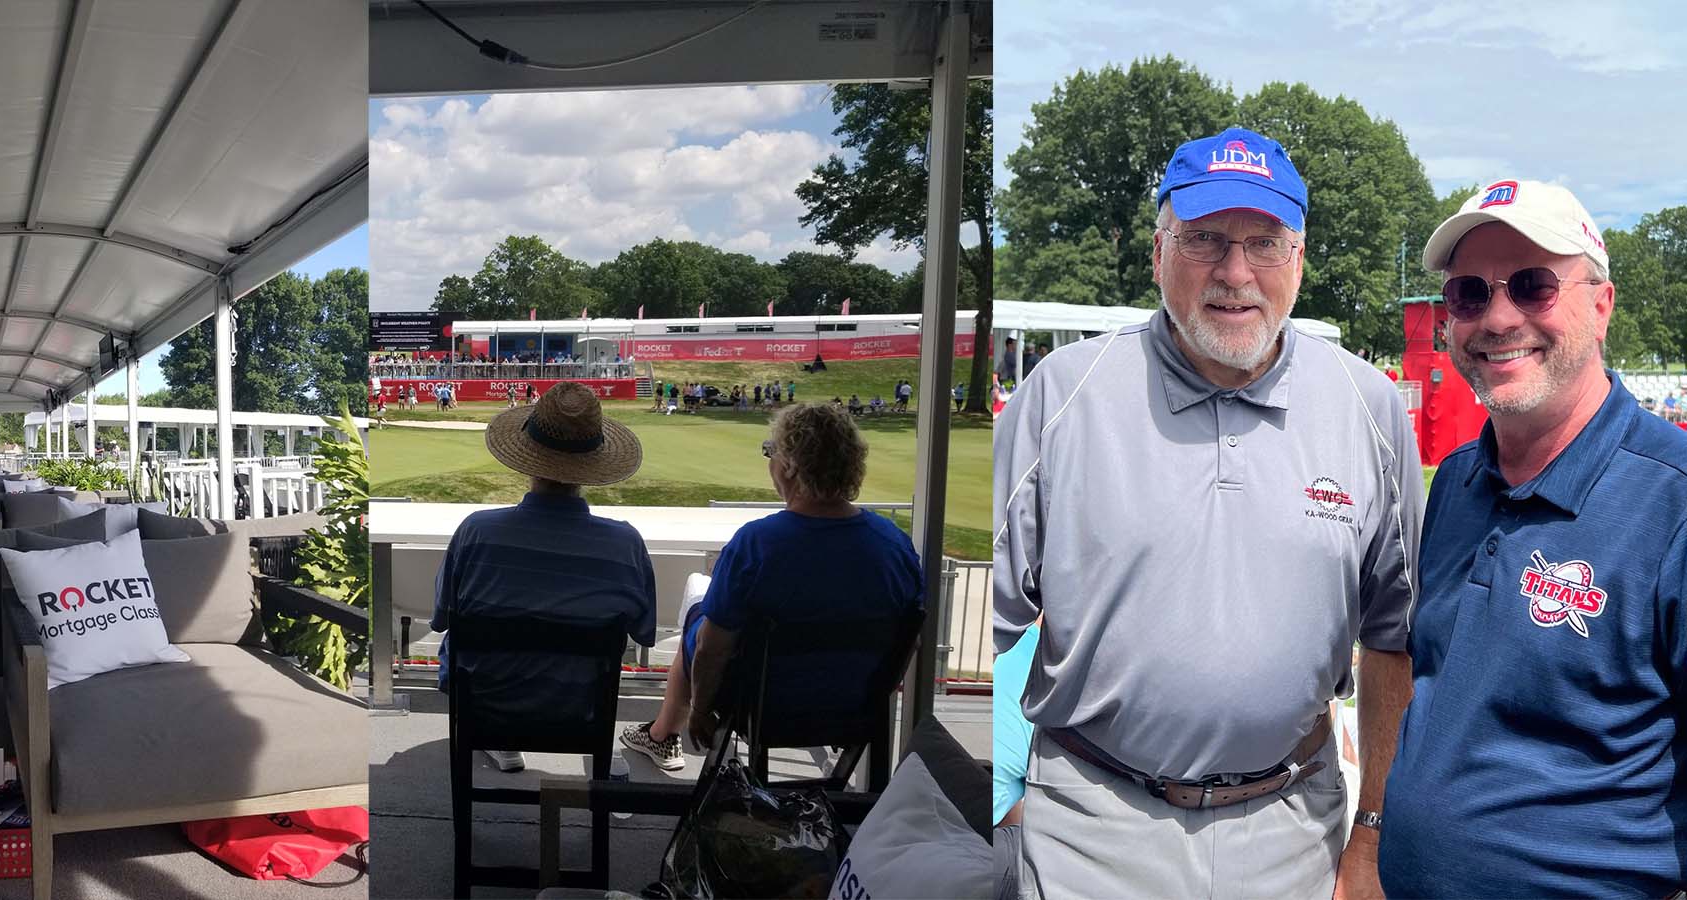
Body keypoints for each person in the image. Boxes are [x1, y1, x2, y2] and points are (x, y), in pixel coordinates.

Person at [994, 127, 1421, 899]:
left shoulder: (1370, 406)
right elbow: (973, 623)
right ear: (1158, 253)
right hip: (1094, 826)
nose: (1235, 272)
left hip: (1295, 831)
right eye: (1204, 240)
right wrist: (994, 790)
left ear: (1299, 260)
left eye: (1264, 241)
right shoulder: (1060, 396)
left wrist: (1372, 836)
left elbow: (1397, 640)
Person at [1378, 181, 1687, 897]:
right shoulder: (1455, 482)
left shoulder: (1669, 500)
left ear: (1601, 307)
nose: (1498, 317)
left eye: (1532, 286)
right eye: (1469, 295)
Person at [620, 403, 923, 769]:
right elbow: (910, 636)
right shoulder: (894, 545)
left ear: (790, 465)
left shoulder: (756, 544)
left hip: (761, 708)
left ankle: (664, 733)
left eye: (771, 451)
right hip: (855, 706)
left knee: (700, 617)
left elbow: (711, 650)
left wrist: (700, 711)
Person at [433, 382, 656, 773]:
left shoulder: (476, 532)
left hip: (487, 700)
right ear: (592, 464)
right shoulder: (625, 544)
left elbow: (442, 617)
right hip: (582, 705)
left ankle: (502, 739)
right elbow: (643, 631)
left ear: (527, 459)